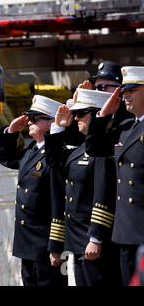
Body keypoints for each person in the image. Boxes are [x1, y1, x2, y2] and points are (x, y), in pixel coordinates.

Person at [46, 89, 121, 286]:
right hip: (77, 240)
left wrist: (96, 237)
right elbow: (54, 164)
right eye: (75, 113)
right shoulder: (81, 149)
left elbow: (103, 194)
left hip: (93, 241)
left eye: (81, 114)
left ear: (97, 115)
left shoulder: (102, 150)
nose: (76, 117)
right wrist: (58, 130)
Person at [85, 66, 144, 285]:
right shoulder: (126, 128)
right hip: (124, 232)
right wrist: (103, 115)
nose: (125, 95)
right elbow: (94, 147)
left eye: (132, 89)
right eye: (123, 91)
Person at [0, 95, 66, 286]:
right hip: (26, 242)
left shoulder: (56, 155)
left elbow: (58, 201)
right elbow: (7, 159)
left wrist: (55, 245)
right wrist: (11, 131)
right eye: (30, 118)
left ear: (52, 123)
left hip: (44, 243)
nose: (30, 122)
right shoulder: (32, 150)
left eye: (35, 118)